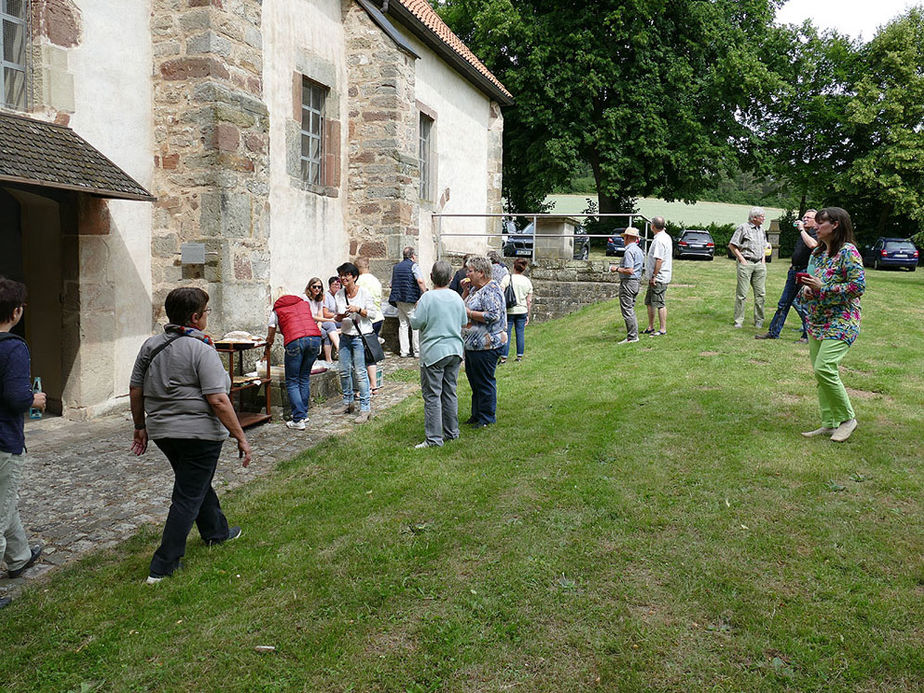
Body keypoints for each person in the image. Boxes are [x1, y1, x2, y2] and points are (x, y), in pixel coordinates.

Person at [129, 287, 251, 584]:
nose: (207, 316)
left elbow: (136, 389)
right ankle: (163, 565)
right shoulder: (202, 349)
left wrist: (140, 426)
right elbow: (218, 400)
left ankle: (216, 532)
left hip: (163, 433)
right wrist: (241, 437)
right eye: (206, 312)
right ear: (196, 317)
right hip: (199, 434)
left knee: (195, 483)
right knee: (187, 495)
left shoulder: (150, 345)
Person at [797, 207, 865, 442]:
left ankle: (848, 419)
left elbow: (858, 288)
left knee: (824, 368)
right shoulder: (816, 254)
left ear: (835, 224)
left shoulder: (849, 252)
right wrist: (807, 290)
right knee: (820, 373)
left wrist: (822, 288)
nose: (815, 227)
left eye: (820, 223)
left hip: (842, 320)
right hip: (816, 320)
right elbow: (811, 283)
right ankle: (829, 423)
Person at [0, 277, 46, 605]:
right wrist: (36, 400)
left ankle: (19, 557)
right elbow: (16, 397)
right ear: (16, 312)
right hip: (3, 440)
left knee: (5, 500)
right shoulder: (13, 347)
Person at [409, 261, 467, 448]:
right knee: (450, 392)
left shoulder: (428, 298)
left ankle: (434, 439)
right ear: (451, 278)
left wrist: (414, 312)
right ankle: (452, 432)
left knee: (433, 395)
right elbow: (464, 321)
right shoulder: (457, 297)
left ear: (432, 277)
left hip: (434, 351)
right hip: (454, 350)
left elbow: (416, 323)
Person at [756, 210, 818, 342]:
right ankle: (773, 332)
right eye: (804, 217)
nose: (805, 219)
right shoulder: (803, 233)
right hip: (795, 271)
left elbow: (813, 245)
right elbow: (799, 251)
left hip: (807, 272)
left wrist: (802, 230)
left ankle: (807, 336)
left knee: (806, 304)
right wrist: (792, 264)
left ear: (816, 220)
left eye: (809, 217)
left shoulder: (815, 233)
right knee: (783, 303)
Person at [264, 288, 322, 430]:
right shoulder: (303, 304)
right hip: (315, 339)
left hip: (295, 341)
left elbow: (271, 332)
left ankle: (297, 419)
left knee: (292, 381)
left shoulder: (277, 311)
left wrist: (267, 349)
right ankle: (304, 414)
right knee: (304, 378)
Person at [461, 255, 507, 428]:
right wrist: (465, 291)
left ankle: (487, 417)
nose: (467, 274)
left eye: (470, 271)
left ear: (481, 272)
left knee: (484, 382)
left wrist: (470, 314)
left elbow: (493, 315)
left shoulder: (491, 289)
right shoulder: (474, 289)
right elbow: (460, 306)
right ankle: (477, 414)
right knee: (475, 381)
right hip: (473, 345)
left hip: (487, 345)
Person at [334, 262, 378, 423]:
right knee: (344, 370)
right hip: (345, 335)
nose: (343, 278)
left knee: (360, 373)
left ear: (354, 277)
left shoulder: (364, 293)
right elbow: (337, 316)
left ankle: (365, 408)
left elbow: (372, 314)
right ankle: (347, 402)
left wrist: (358, 309)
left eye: (346, 275)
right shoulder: (339, 294)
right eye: (341, 275)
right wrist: (339, 317)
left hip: (360, 336)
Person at [728, 207, 768, 329]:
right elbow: (732, 245)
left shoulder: (761, 230)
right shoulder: (743, 228)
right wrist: (742, 260)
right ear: (754, 218)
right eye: (762, 216)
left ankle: (759, 320)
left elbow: (764, 246)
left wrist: (763, 261)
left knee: (761, 294)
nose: (764, 218)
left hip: (759, 265)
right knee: (742, 294)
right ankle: (738, 320)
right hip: (746, 263)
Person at [387, 247, 427, 358]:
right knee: (415, 324)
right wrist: (425, 293)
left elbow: (391, 284)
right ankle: (417, 351)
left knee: (403, 324)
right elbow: (419, 280)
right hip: (410, 299)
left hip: (398, 298)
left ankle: (403, 351)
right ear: (413, 256)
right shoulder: (414, 266)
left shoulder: (396, 267)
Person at [355, 257, 384, 396]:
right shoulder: (375, 280)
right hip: (378, 317)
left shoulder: (359, 282)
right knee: (370, 354)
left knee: (362, 354)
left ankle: (367, 386)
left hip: (366, 321)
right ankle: (374, 385)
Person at [612, 227, 644, 344]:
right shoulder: (639, 250)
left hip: (628, 282)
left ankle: (632, 336)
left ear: (629, 238)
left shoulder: (629, 251)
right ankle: (633, 335)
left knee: (627, 310)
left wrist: (616, 269)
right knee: (630, 308)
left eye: (625, 237)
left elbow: (630, 270)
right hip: (636, 282)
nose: (623, 239)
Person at [642, 216, 673, 336]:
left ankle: (663, 329)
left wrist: (654, 276)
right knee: (649, 302)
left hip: (659, 277)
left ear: (653, 226)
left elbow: (659, 260)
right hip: (654, 277)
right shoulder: (664, 237)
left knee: (660, 303)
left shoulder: (660, 240)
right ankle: (650, 327)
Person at [500, 258, 533, 362]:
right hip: (522, 310)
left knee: (507, 333)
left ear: (514, 267)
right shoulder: (527, 281)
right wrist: (528, 314)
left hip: (509, 310)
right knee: (520, 333)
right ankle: (519, 356)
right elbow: (529, 300)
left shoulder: (507, 278)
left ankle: (504, 358)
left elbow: (500, 293)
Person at [320, 276, 342, 366]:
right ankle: (339, 349)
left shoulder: (340, 296)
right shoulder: (326, 296)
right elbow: (325, 313)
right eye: (334, 285)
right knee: (330, 326)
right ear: (330, 286)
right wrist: (336, 315)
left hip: (337, 319)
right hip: (326, 320)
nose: (337, 287)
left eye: (338, 285)